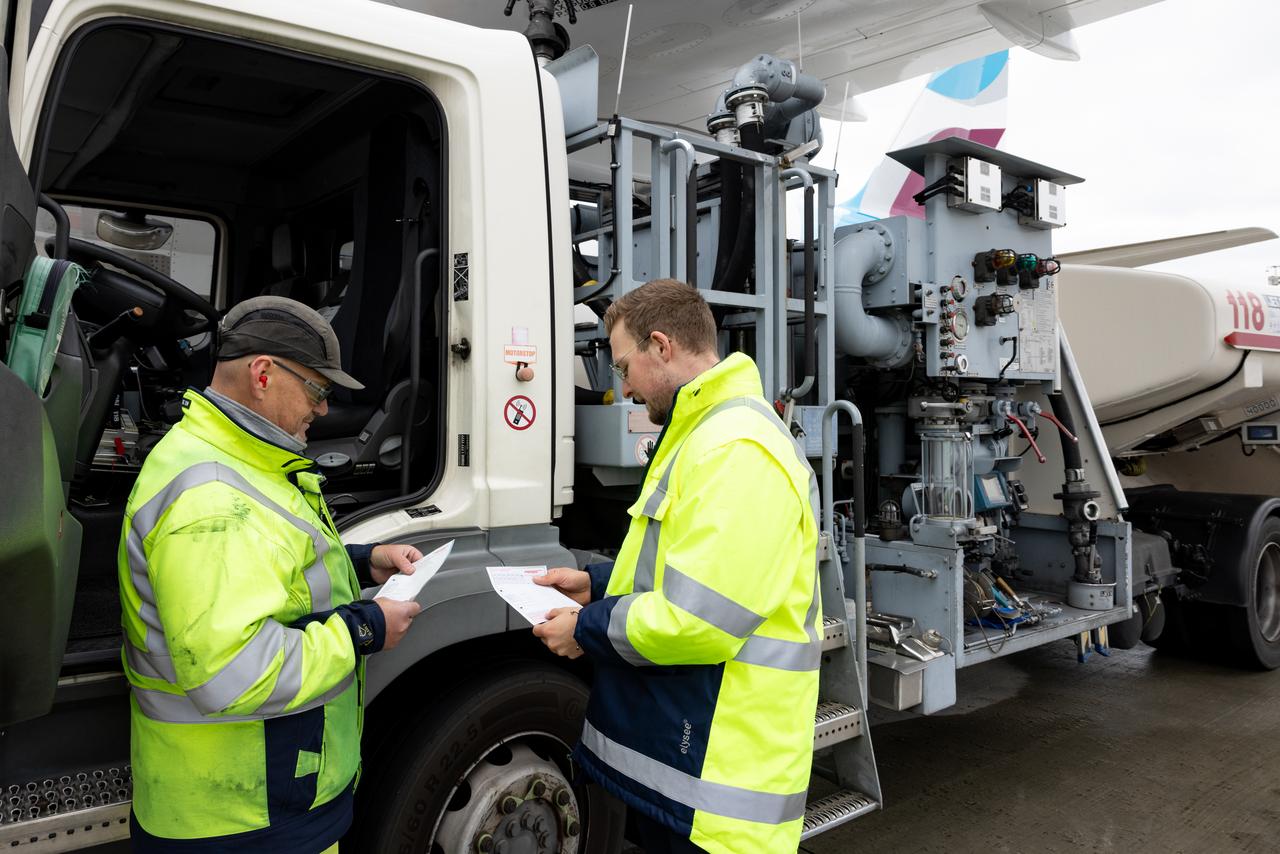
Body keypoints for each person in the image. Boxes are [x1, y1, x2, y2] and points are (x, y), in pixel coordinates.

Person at [118, 295, 423, 851]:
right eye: (318, 390)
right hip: (242, 816)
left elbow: (265, 572)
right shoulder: (212, 497)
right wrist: (365, 629)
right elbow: (236, 672)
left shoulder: (231, 458)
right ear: (263, 374)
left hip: (249, 800)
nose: (323, 409)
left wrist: (363, 562)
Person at [532, 279, 822, 854]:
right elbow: (684, 565)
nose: (624, 386)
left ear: (661, 346)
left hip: (723, 793)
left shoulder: (735, 447)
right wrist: (594, 587)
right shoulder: (704, 435)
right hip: (697, 758)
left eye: (624, 366)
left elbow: (698, 618)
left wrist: (586, 630)